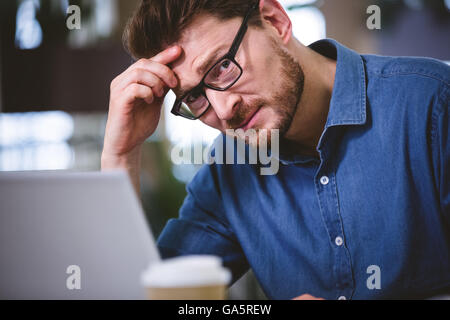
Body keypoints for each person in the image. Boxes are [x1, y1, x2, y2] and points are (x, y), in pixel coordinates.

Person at [101, 0, 450, 299]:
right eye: (195, 97)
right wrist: (121, 154)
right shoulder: (230, 168)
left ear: (274, 20)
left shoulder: (433, 104)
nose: (223, 111)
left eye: (222, 66)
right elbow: (145, 293)